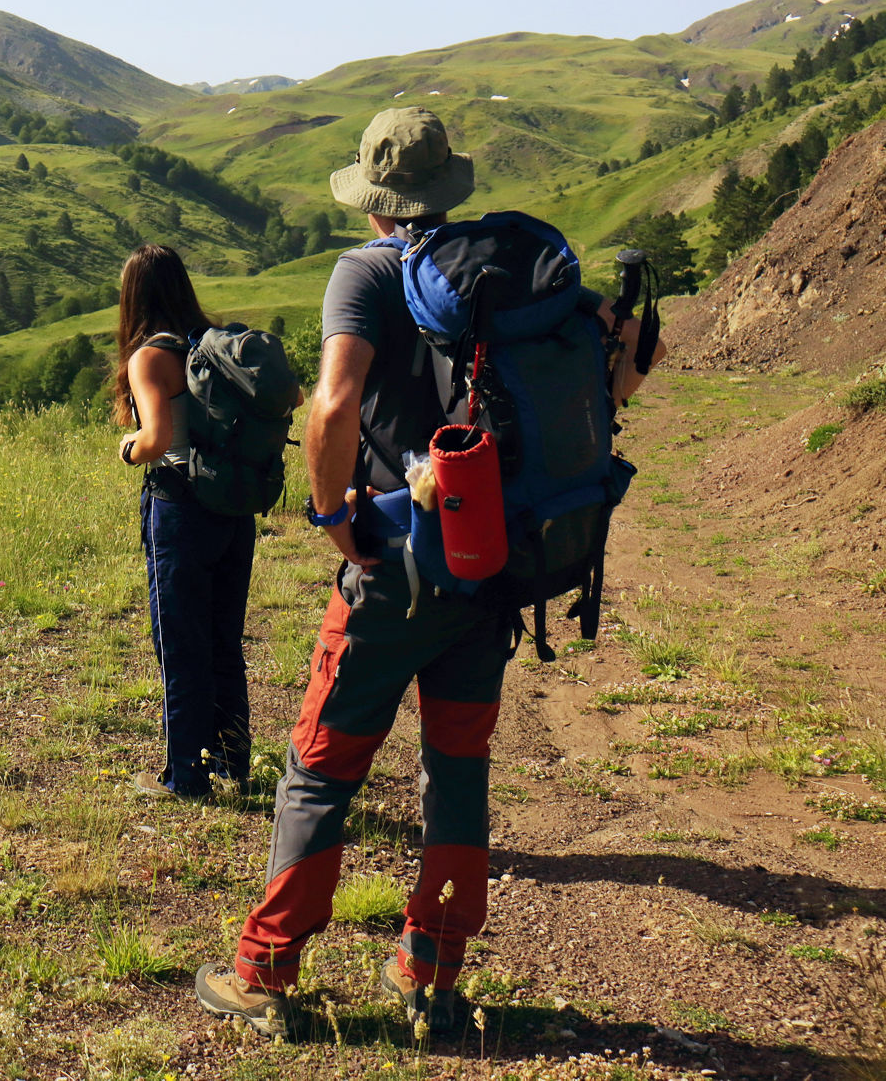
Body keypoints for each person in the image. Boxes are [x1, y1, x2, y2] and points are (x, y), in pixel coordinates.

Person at [192, 108, 663, 1038]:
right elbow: (632, 368)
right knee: (457, 768)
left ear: (373, 199)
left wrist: (333, 520)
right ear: (449, 187)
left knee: (321, 770)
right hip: (492, 566)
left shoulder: (366, 273)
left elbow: (332, 405)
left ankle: (268, 970)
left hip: (394, 569)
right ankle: (434, 976)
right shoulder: (507, 274)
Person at [114, 244, 256, 802]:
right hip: (232, 508)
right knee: (224, 637)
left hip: (179, 508)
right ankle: (230, 764)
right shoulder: (215, 345)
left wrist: (128, 450)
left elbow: (153, 441)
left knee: (180, 641)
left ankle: (185, 778)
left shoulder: (150, 357)